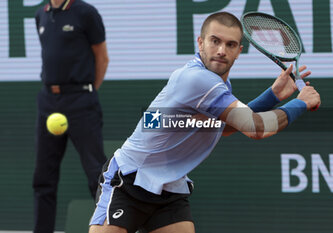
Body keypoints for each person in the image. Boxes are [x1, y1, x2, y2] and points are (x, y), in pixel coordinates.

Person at [89, 12, 320, 233]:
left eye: (230, 45)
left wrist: (273, 96)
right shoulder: (197, 80)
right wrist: (300, 103)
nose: (221, 50)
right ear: (200, 43)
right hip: (130, 181)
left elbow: (225, 128)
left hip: (168, 187)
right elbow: (256, 128)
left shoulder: (217, 86)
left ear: (239, 51)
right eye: (215, 41)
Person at [32, 0, 109, 232]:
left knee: (97, 175)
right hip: (48, 101)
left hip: (81, 101)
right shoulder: (40, 15)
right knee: (43, 179)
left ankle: (109, 227)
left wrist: (86, 91)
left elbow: (102, 58)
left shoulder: (86, 13)